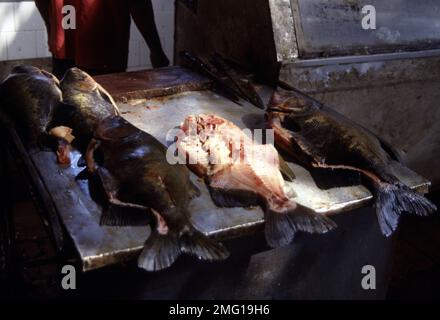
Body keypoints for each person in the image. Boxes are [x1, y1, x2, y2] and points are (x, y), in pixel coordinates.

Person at [35, 0, 170, 78]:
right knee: (103, 117)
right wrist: (156, 50)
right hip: (103, 49)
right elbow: (139, 3)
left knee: (67, 114)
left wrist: (51, 29)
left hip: (65, 44)